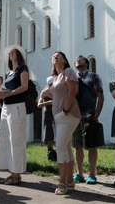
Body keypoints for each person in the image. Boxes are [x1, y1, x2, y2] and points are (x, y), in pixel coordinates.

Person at [40, 51, 80, 195]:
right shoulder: (56, 78)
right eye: (54, 55)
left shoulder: (68, 72)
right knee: (67, 148)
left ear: (64, 60)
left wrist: (64, 110)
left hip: (68, 115)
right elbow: (52, 95)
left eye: (59, 55)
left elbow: (73, 91)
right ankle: (70, 181)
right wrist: (44, 93)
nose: (55, 56)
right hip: (59, 117)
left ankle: (62, 183)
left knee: (61, 147)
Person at [0, 45, 29, 185]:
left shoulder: (22, 69)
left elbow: (24, 87)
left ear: (19, 55)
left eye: (13, 52)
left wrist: (8, 93)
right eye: (9, 53)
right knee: (5, 139)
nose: (11, 54)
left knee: (16, 139)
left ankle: (16, 174)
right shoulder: (8, 73)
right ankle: (11, 171)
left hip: (17, 106)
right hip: (6, 107)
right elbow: (5, 89)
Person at [72, 55, 104, 185]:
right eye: (77, 60)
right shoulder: (73, 78)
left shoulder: (93, 77)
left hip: (89, 116)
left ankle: (92, 174)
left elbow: (101, 96)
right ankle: (79, 173)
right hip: (75, 116)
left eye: (81, 59)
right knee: (77, 146)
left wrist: (96, 114)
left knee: (91, 146)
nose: (78, 60)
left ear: (86, 63)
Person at [37, 76, 56, 161]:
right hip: (48, 113)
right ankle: (50, 150)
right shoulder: (44, 92)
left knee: (58, 132)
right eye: (50, 84)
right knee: (49, 132)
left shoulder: (58, 91)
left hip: (57, 112)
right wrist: (49, 102)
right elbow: (39, 105)